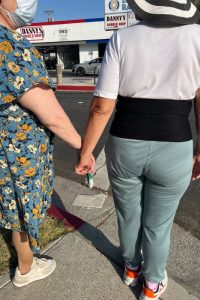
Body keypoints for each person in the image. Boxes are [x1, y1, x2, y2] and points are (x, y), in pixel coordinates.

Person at [75, 1, 200, 299]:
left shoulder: (123, 37)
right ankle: (152, 284)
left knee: (128, 213)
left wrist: (86, 151)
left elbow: (102, 106)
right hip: (175, 142)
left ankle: (131, 268)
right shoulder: (197, 37)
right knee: (159, 224)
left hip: (126, 140)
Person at [0, 0, 81, 288]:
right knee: (20, 209)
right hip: (16, 153)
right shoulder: (9, 46)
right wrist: (83, 148)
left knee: (9, 206)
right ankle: (25, 267)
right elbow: (53, 117)